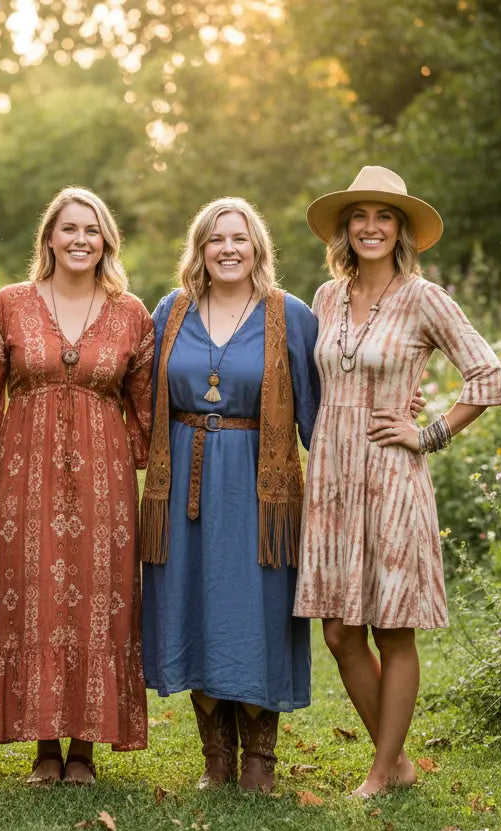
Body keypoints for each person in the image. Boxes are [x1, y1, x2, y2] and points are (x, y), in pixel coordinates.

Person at [294, 166, 501, 797]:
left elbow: (487, 376)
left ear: (400, 231)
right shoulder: (326, 297)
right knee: (339, 631)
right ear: (345, 228)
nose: (370, 227)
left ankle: (381, 770)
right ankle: (398, 762)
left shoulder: (425, 298)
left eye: (383, 217)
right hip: (333, 476)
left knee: (392, 627)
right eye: (359, 216)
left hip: (391, 474)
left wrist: (431, 431)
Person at [0, 187, 154, 785]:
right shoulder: (9, 305)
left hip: (106, 484)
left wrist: (124, 455)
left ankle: (84, 751)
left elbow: (147, 406)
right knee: (33, 596)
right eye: (69, 229)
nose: (80, 240)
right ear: (48, 237)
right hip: (26, 476)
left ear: (107, 242)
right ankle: (45, 747)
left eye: (92, 230)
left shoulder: (131, 313)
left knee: (100, 601)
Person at [139, 198, 319, 792]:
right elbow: (139, 393)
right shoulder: (172, 310)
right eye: (215, 239)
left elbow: (321, 413)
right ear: (200, 249)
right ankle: (215, 758)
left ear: (258, 247)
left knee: (256, 608)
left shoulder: (288, 316)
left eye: (239, 238)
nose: (228, 249)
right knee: (194, 604)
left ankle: (260, 760)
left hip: (257, 487)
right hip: (183, 482)